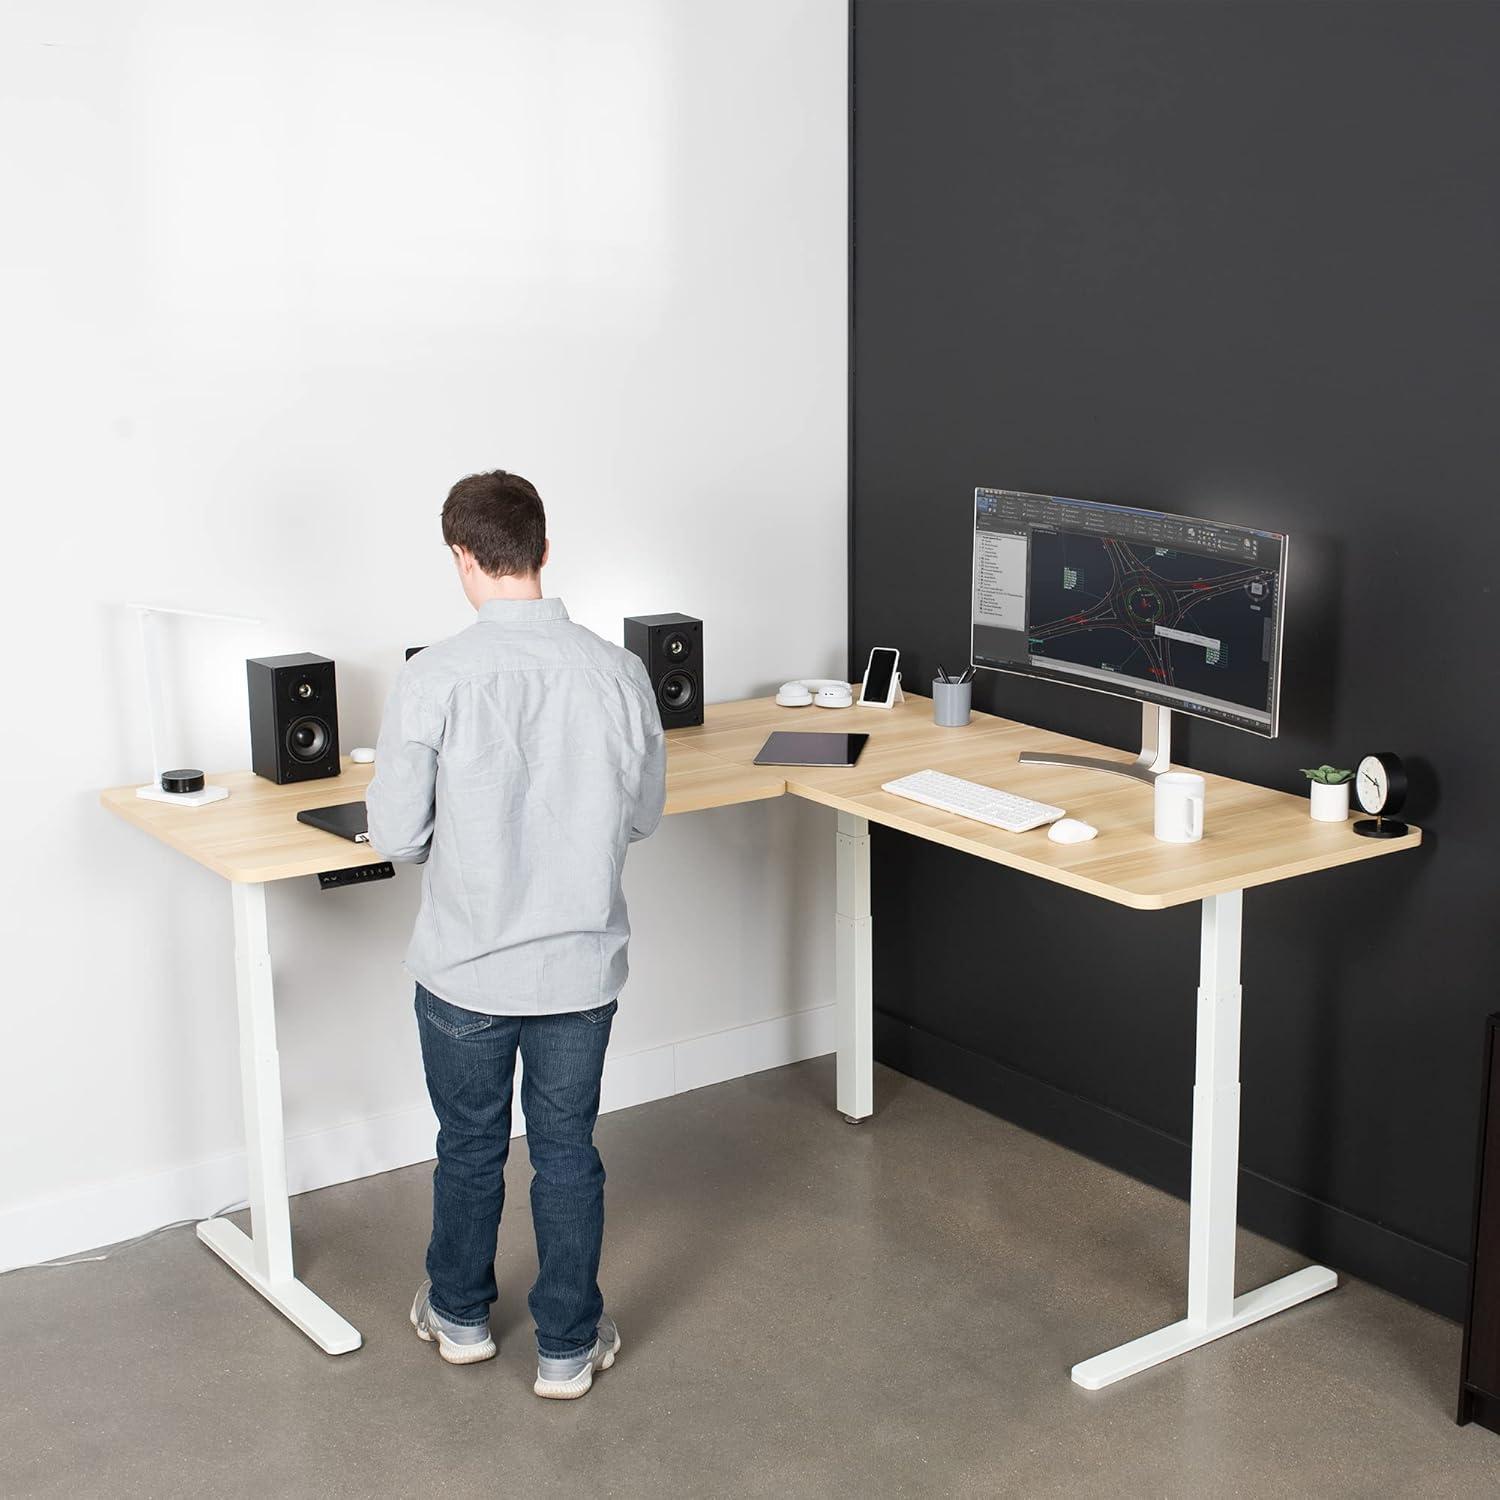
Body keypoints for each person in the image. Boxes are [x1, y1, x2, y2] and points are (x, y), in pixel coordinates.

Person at [367, 470, 667, 1399]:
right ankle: (568, 1349)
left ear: (463, 557)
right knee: (568, 1151)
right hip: (579, 971)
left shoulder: (433, 679)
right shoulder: (618, 672)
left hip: (466, 973)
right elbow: (645, 814)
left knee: (470, 1144)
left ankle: (459, 1318)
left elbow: (395, 836)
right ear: (544, 548)